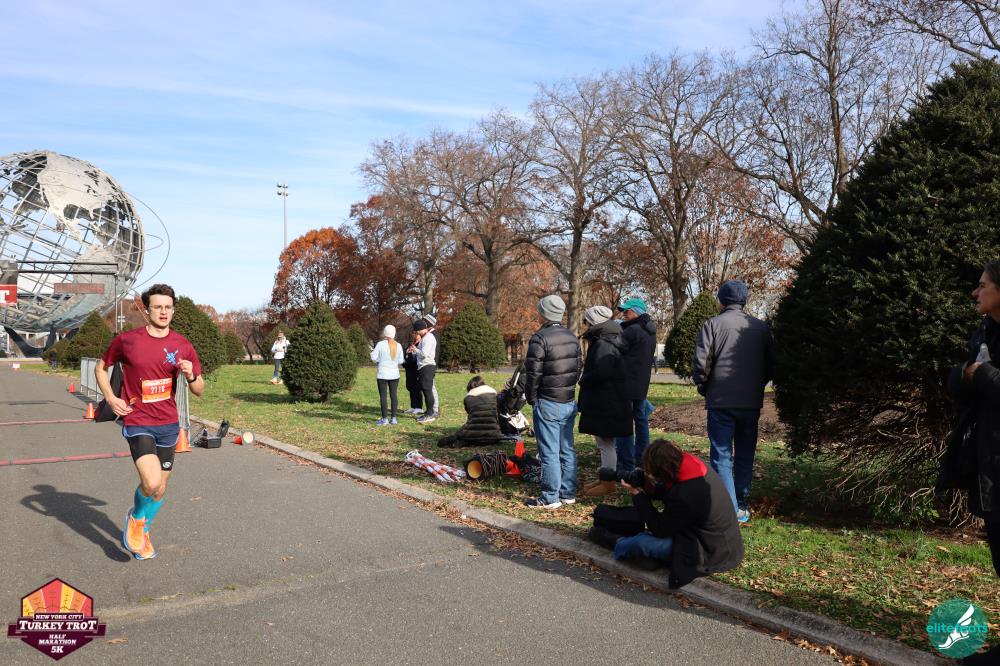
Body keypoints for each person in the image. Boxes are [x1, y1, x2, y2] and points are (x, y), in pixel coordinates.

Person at [95, 284, 204, 561]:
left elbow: (199, 389)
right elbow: (100, 368)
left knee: (160, 488)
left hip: (168, 423)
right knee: (152, 481)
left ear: (173, 310)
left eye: (168, 307)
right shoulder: (127, 341)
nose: (163, 312)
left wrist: (191, 375)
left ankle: (142, 530)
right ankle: (136, 519)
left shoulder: (182, 345)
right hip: (138, 421)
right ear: (147, 310)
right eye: (158, 307)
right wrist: (111, 398)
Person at [588, 439, 744, 589]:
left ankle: (616, 542)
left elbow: (659, 529)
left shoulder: (686, 494)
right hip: (710, 537)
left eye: (651, 474)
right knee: (641, 524)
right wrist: (644, 483)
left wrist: (638, 495)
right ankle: (649, 556)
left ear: (662, 472)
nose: (650, 476)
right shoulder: (690, 463)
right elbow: (668, 489)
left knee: (642, 542)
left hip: (710, 552)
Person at [943, 261, 1000, 666]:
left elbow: (985, 379)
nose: (974, 293)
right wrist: (963, 375)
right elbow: (965, 378)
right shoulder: (984, 332)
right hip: (989, 461)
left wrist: (982, 375)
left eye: (982, 285)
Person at [691, 280, 773, 524]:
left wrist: (705, 386)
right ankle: (741, 502)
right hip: (750, 401)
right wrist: (756, 386)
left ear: (721, 300)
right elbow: (771, 364)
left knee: (722, 455)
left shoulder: (712, 324)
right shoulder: (761, 328)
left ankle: (729, 507)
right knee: (745, 453)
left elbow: (701, 363)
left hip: (721, 400)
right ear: (744, 300)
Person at [523, 294, 582, 509]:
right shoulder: (572, 337)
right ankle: (568, 493)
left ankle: (550, 497)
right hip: (568, 400)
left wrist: (532, 398)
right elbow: (578, 368)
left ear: (544, 313)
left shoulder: (540, 338)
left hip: (548, 400)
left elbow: (533, 373)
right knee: (566, 449)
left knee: (549, 452)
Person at [577, 305, 632, 497]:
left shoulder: (604, 343)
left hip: (607, 400)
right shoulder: (611, 338)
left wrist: (583, 379)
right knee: (605, 443)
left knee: (606, 443)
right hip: (610, 399)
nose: (586, 325)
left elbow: (602, 372)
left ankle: (608, 483)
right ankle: (605, 478)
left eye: (587, 321)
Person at [614, 297, 657, 473]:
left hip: (626, 383)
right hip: (641, 383)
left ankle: (626, 462)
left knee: (624, 423)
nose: (624, 314)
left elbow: (616, 350)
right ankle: (643, 459)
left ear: (636, 312)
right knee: (641, 421)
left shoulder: (632, 330)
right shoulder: (650, 330)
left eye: (627, 310)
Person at [437, 376, 504, 448]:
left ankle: (455, 440)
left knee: (461, 432)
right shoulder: (494, 395)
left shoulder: (468, 398)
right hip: (494, 436)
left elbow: (470, 414)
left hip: (472, 436)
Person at [370, 325, 404, 425]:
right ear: (394, 333)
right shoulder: (399, 345)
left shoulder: (380, 344)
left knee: (383, 396)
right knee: (394, 395)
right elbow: (401, 361)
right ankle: (394, 419)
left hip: (382, 374)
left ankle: (384, 419)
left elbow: (373, 357)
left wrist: (379, 360)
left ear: (385, 333)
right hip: (395, 374)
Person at [409, 316, 438, 423]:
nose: (416, 333)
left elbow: (424, 354)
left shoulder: (428, 338)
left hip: (427, 366)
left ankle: (431, 413)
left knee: (427, 390)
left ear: (421, 329)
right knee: (425, 390)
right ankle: (428, 412)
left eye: (417, 331)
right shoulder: (425, 338)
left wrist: (415, 350)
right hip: (423, 367)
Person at [402, 325, 424, 415]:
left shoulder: (421, 344)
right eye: (413, 334)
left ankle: (419, 407)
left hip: (416, 369)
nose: (414, 335)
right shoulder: (411, 345)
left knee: (416, 388)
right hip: (409, 369)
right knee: (410, 387)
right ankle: (413, 406)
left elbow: (420, 356)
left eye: (416, 334)